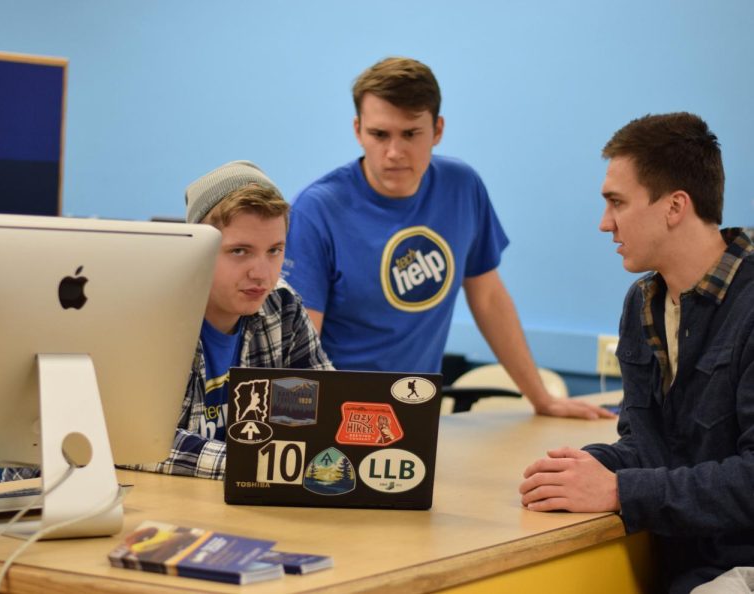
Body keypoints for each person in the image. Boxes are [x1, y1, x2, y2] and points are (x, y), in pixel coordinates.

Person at [283, 56, 610, 420]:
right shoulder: (315, 210)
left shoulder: (461, 186)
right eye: (379, 134)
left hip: (417, 412)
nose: (394, 152)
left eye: (410, 134)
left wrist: (541, 398)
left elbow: (487, 297)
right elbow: (300, 342)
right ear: (358, 130)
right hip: (336, 415)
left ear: (437, 130)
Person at [519, 112, 754, 594]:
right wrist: (581, 469)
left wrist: (617, 489)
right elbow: (650, 447)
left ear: (674, 207)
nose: (604, 223)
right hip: (685, 569)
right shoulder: (642, 304)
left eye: (616, 203)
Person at [5, 161, 332, 482]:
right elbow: (132, 440)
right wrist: (257, 461)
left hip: (203, 502)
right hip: (58, 499)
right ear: (197, 249)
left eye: (274, 250)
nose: (262, 273)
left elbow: (325, 409)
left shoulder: (282, 306)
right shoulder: (147, 312)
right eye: (240, 252)